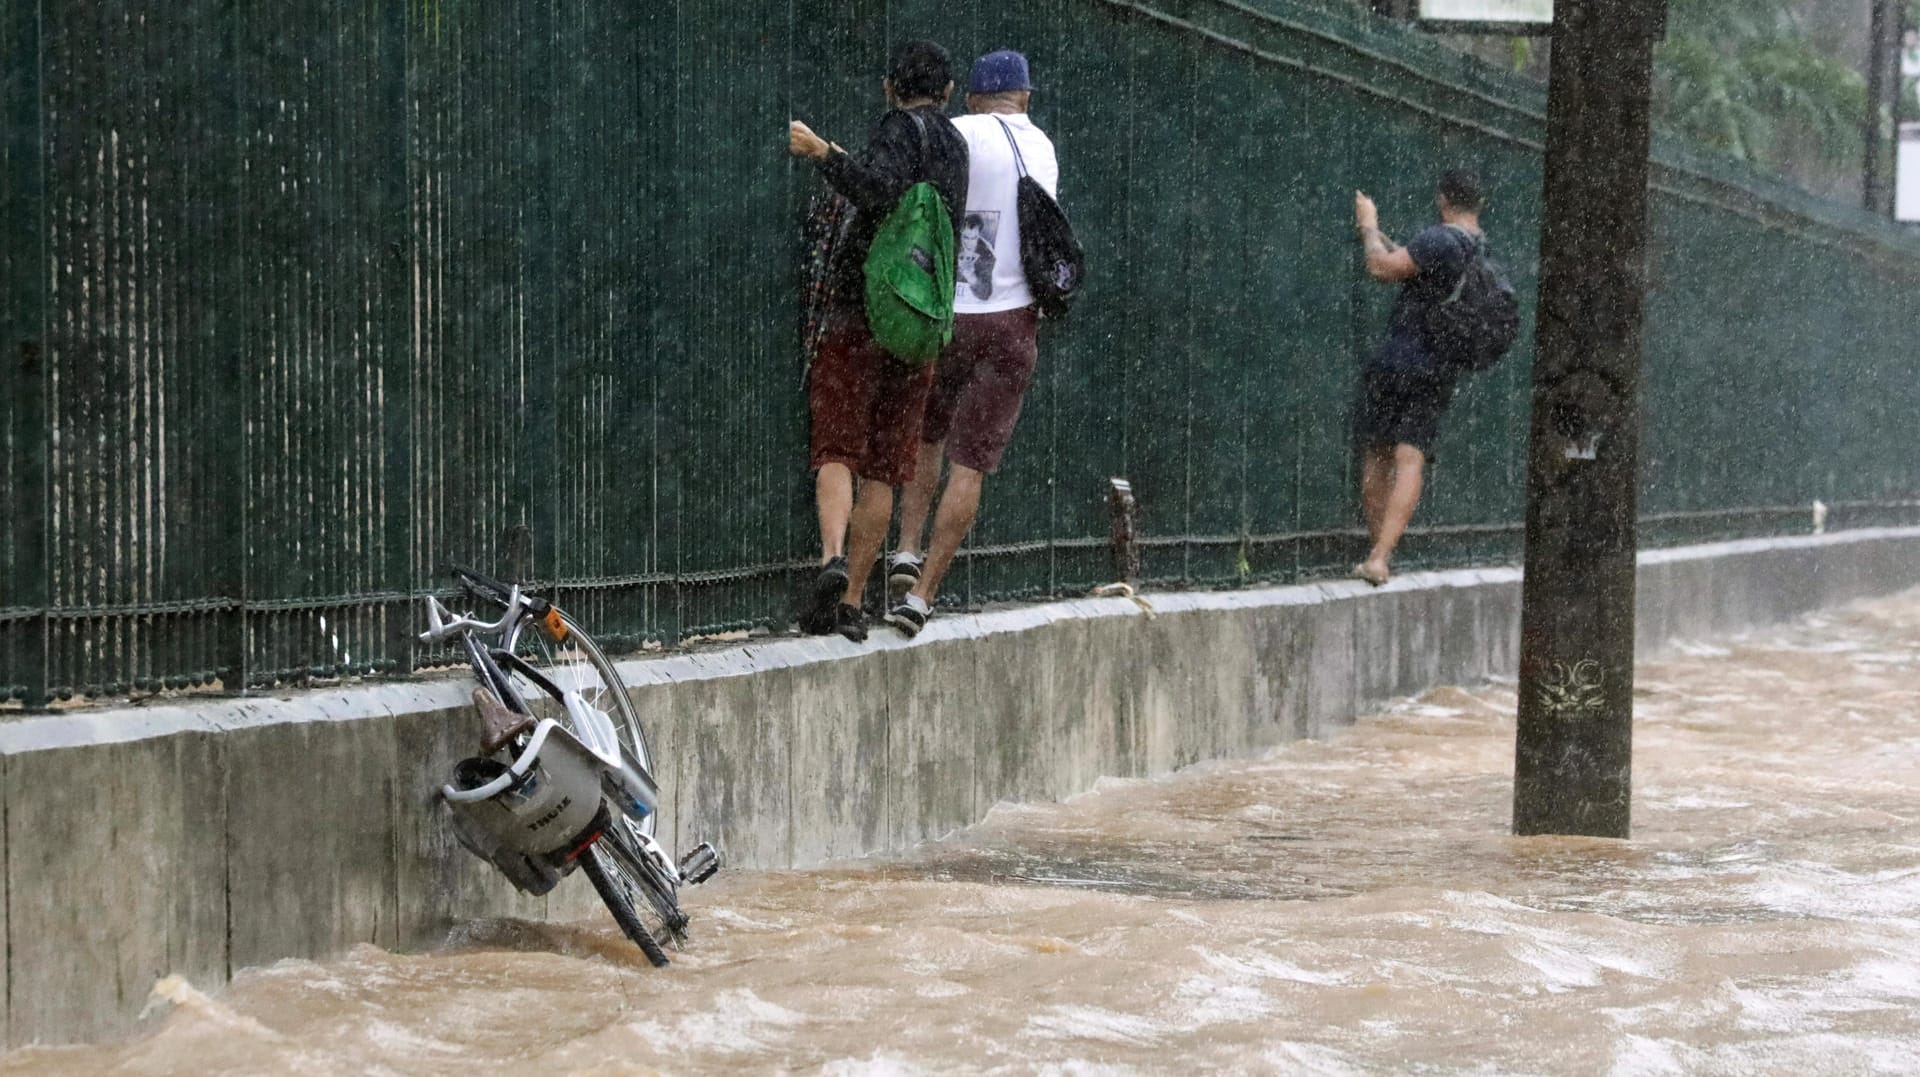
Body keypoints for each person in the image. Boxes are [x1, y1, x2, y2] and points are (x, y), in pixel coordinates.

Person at [787, 41, 969, 641]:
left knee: (838, 446)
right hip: (918, 328)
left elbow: (879, 191)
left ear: (890, 86)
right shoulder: (956, 146)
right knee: (886, 467)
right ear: (947, 92)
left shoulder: (897, 129)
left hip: (862, 313)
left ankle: (832, 559)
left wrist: (824, 153)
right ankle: (854, 602)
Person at [886, 49, 1059, 637]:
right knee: (971, 464)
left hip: (951, 315)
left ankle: (906, 547)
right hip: (1014, 323)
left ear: (971, 96)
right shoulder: (1043, 147)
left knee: (926, 433)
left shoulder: (958, 132)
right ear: (1025, 97)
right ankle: (925, 596)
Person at [1351, 170, 1486, 586]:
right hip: (1440, 365)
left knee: (1377, 453)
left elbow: (1378, 267)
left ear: (1443, 200)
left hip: (1400, 358)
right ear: (1478, 204)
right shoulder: (1480, 249)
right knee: (1411, 458)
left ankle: (1378, 555)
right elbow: (1421, 270)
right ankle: (1382, 554)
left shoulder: (1439, 238)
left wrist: (1368, 225)